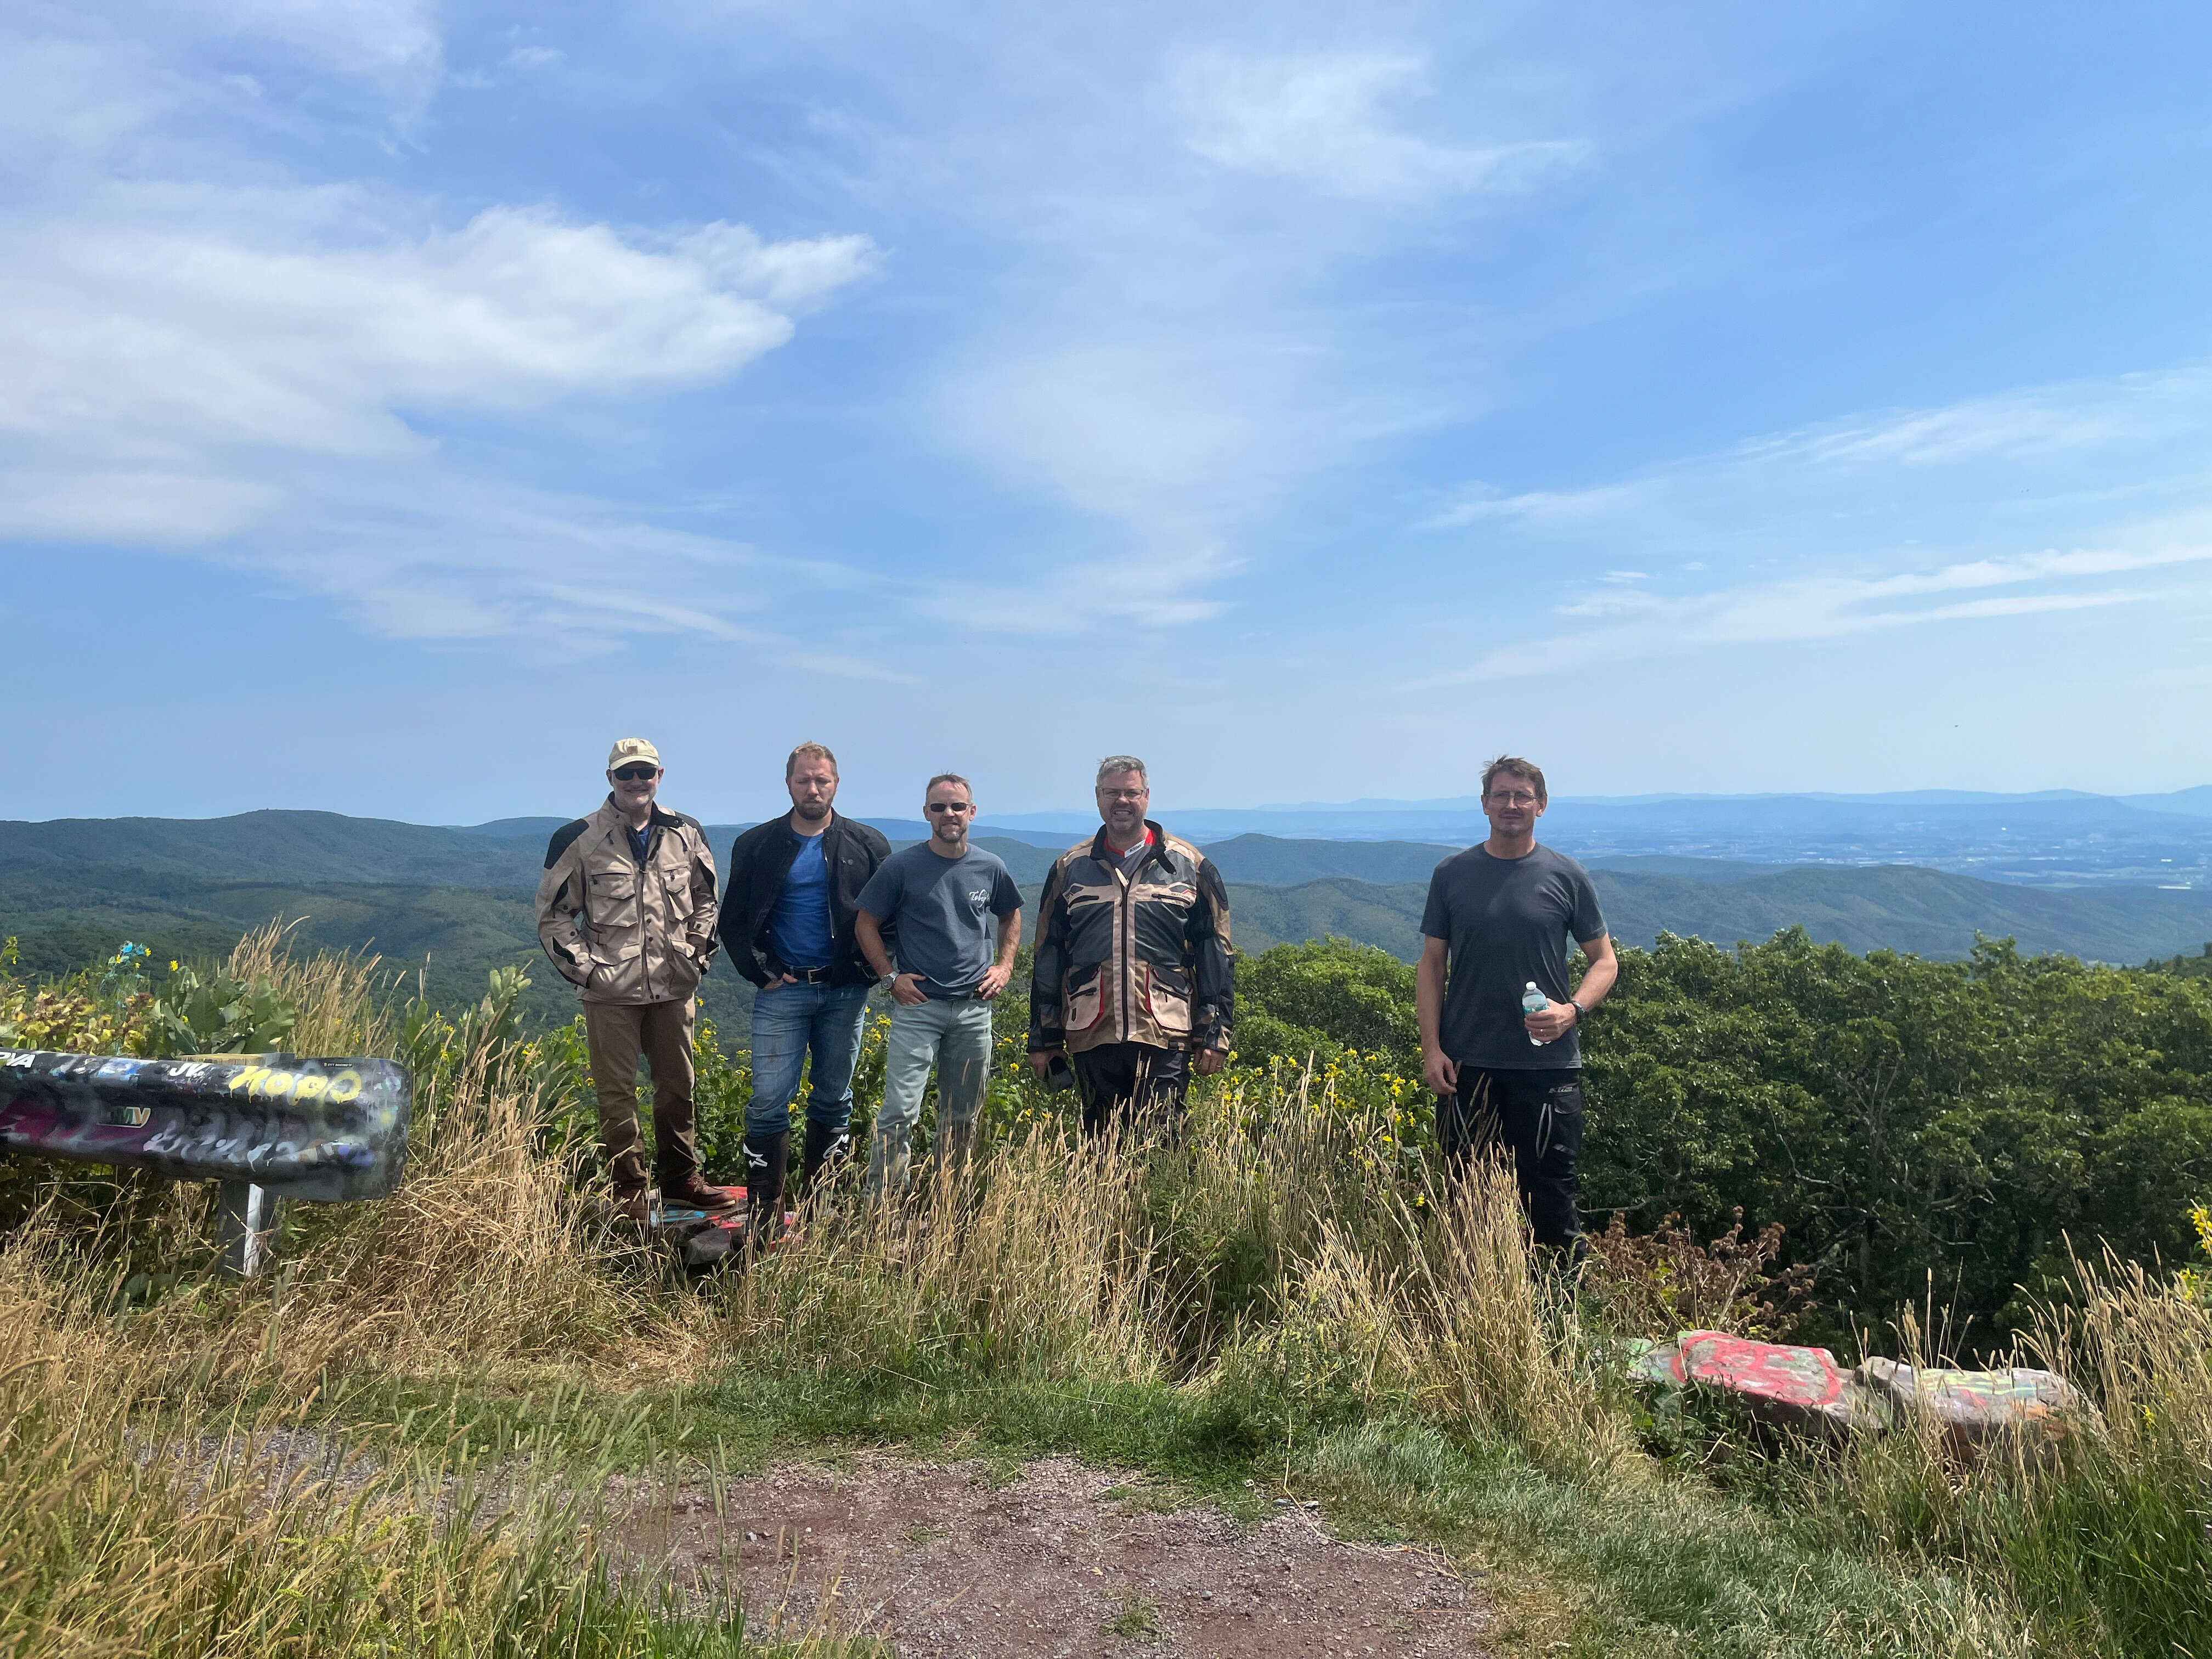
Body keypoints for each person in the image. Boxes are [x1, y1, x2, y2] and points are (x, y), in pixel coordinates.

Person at [1415, 754, 1618, 1254]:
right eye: (1501, 795)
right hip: (1467, 1065)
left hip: (1546, 1067)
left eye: (1522, 796)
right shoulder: (1452, 874)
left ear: (1541, 806)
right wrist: (1432, 1049)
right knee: (1466, 1203)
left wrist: (1573, 1011)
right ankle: (1475, 1319)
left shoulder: (1566, 875)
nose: (1512, 804)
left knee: (1551, 1204)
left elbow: (1606, 962)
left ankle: (1556, 1322)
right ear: (1485, 805)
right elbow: (1431, 966)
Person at [536, 738, 731, 1222]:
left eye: (645, 772)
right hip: (611, 993)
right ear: (610, 780)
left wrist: (695, 958)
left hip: (674, 985)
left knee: (677, 1086)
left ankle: (682, 1180)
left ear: (660, 776)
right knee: (616, 1092)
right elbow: (553, 917)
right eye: (626, 774)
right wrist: (590, 972)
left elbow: (708, 902)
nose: (636, 782)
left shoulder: (687, 833)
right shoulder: (578, 838)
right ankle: (630, 1188)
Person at [719, 742, 893, 1245]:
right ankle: (765, 1211)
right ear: (789, 784)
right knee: (770, 1099)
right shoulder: (758, 844)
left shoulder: (867, 843)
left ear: (836, 783)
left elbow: (892, 914)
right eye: (804, 780)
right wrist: (761, 972)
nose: (813, 789)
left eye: (822, 780)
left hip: (844, 992)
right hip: (784, 989)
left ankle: (822, 1207)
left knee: (834, 1099)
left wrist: (870, 968)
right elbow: (734, 919)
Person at [1027, 755, 1233, 1136]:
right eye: (1112, 793)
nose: (1122, 801)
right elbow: (1048, 956)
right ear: (1098, 797)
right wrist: (1045, 1038)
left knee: (1162, 1141)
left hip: (1166, 1028)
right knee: (1101, 1148)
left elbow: (1216, 954)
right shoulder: (1070, 867)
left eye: (1131, 792)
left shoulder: (1189, 866)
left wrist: (1215, 1033)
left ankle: (1159, 1198)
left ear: (1147, 797)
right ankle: (1103, 1201)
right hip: (1092, 1028)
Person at [853, 774, 1023, 1198]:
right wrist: (889, 977)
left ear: (972, 811)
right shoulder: (901, 867)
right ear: (926, 813)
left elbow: (1011, 914)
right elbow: (865, 924)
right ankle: (884, 1209)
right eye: (939, 807)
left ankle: (949, 1205)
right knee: (899, 1113)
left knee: (963, 1116)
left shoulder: (990, 866)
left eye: (957, 807)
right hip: (919, 1007)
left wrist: (1004, 966)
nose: (949, 814)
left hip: (973, 1008)